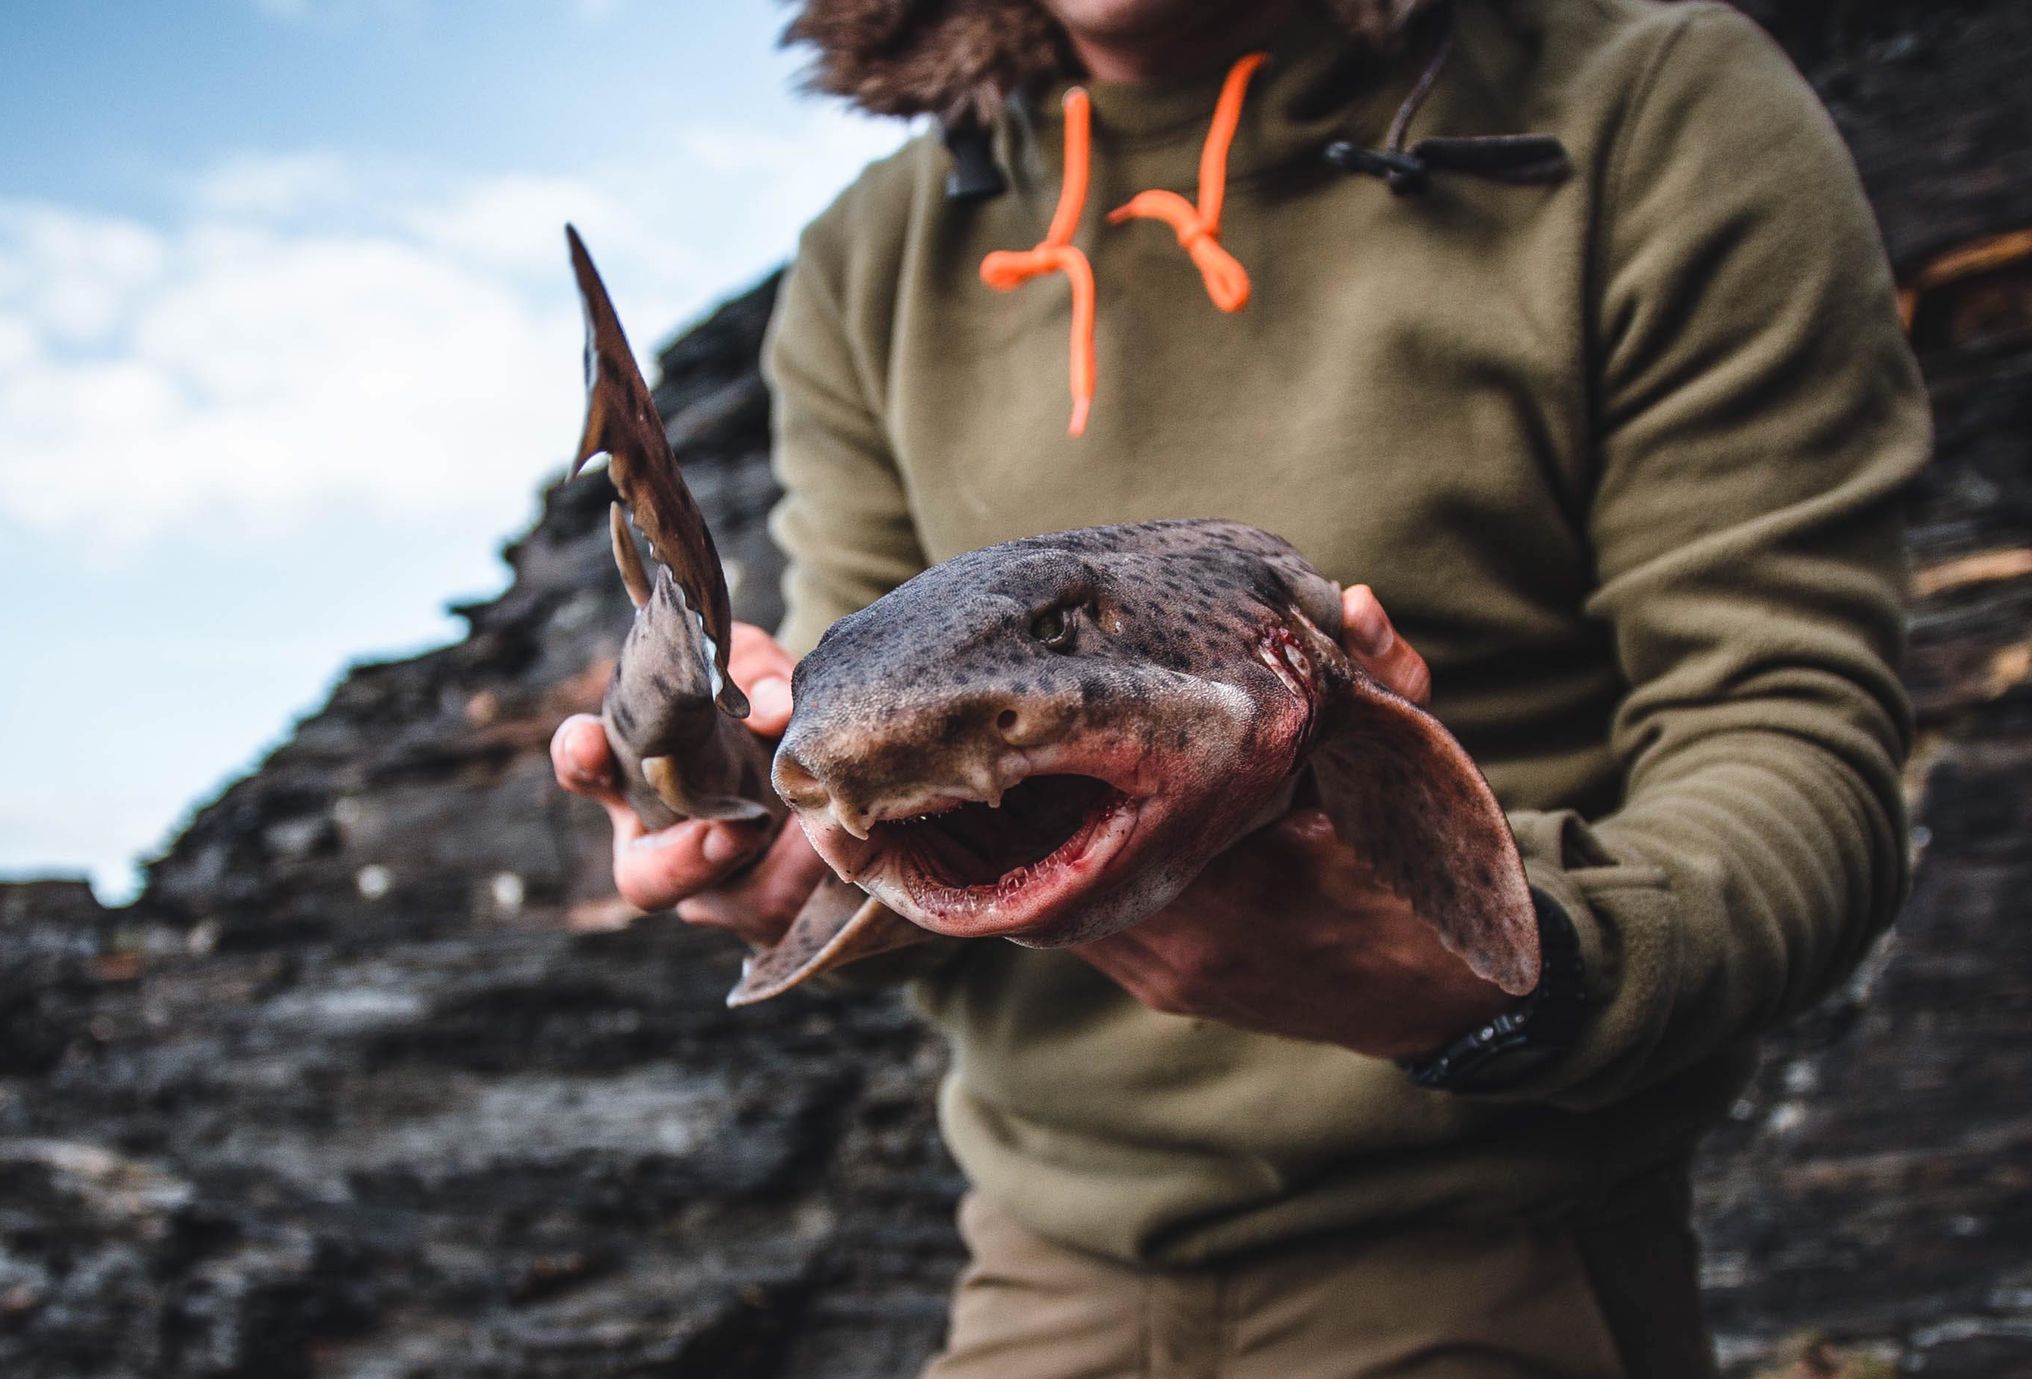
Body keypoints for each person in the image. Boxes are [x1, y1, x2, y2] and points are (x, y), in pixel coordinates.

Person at [552, 0, 1929, 1373]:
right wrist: (761, 834)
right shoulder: (872, 254)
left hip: (1501, 1240)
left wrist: (1510, 987)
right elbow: (858, 745)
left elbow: (1793, 736)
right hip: (1037, 1258)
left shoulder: (1645, 102)